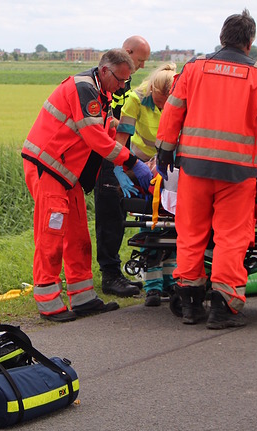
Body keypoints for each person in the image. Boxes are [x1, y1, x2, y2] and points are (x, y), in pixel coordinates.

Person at [155, 9, 257, 329]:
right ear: (250, 41)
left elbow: (172, 113)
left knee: (190, 233)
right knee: (230, 237)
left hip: (194, 169)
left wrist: (165, 152)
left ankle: (189, 304)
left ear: (221, 37)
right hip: (237, 172)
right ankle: (223, 308)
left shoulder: (194, 69)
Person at [22, 49, 154, 322]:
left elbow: (104, 131)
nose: (122, 86)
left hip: (66, 173)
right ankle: (49, 304)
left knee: (79, 234)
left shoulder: (100, 93)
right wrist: (131, 162)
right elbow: (95, 138)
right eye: (120, 80)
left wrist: (123, 164)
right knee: (51, 236)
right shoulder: (84, 89)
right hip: (49, 168)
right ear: (105, 71)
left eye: (126, 82)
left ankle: (82, 298)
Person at [113, 62, 178, 307]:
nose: (164, 107)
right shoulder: (135, 100)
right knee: (151, 223)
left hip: (169, 166)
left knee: (173, 223)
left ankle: (171, 281)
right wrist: (121, 169)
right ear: (152, 90)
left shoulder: (180, 98)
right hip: (142, 167)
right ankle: (152, 285)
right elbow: (120, 140)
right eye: (161, 102)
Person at [94, 35, 151, 298]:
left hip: (118, 155)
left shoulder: (122, 81)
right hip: (108, 157)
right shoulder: (109, 83)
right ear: (127, 52)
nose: (140, 67)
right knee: (110, 214)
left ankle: (114, 272)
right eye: (139, 60)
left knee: (118, 214)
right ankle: (110, 275)